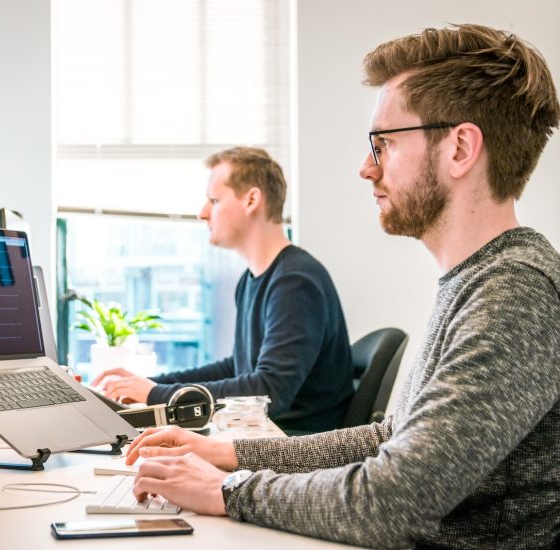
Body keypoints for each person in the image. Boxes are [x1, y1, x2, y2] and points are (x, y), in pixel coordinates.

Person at [122, 24, 560, 549]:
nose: (366, 168)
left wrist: (227, 489)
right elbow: (390, 438)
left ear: (460, 148)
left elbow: (392, 501)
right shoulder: (477, 280)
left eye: (384, 144)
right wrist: (228, 454)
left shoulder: (515, 293)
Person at [96, 147, 354, 434]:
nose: (202, 213)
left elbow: (269, 393)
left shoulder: (295, 282)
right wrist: (153, 385)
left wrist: (156, 395)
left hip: (294, 446)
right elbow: (238, 368)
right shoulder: (253, 279)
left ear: (251, 200)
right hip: (264, 435)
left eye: (214, 200)